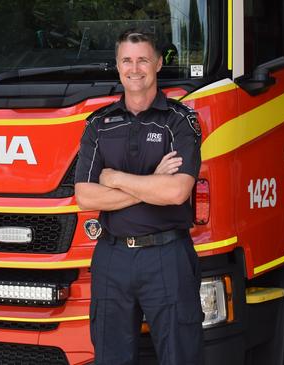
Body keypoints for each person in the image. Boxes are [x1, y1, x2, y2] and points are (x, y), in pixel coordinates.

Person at [74, 30, 204, 365]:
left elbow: (176, 192)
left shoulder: (180, 121)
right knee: (111, 357)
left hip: (167, 256)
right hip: (111, 257)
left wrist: (114, 179)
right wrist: (151, 183)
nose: (135, 68)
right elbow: (86, 196)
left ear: (158, 64)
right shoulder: (98, 124)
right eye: (127, 60)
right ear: (117, 67)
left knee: (181, 356)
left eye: (143, 59)